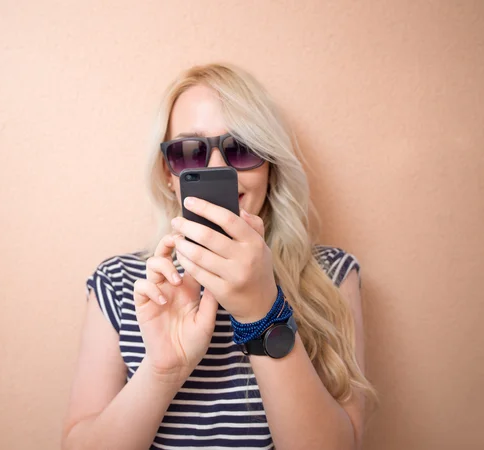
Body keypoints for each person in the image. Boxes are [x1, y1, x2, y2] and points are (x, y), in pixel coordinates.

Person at [62, 63, 377, 450]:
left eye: (241, 147)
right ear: (167, 172)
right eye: (188, 151)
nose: (217, 167)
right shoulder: (119, 281)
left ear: (270, 166)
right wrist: (163, 370)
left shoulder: (332, 275)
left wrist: (262, 312)